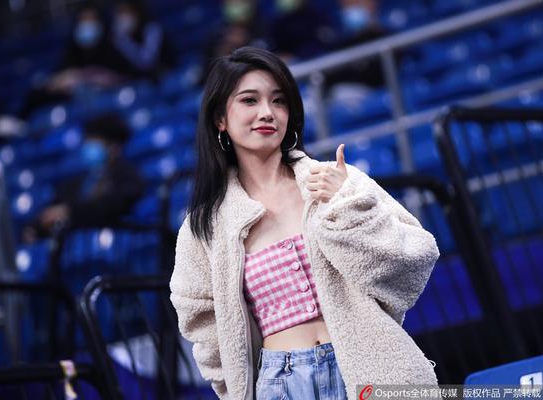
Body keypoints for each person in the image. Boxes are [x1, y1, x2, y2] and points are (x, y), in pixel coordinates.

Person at [169, 47, 440, 399]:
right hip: (280, 383)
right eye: (250, 100)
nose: (267, 112)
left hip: (367, 370)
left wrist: (347, 207)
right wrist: (235, 385)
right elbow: (200, 320)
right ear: (220, 118)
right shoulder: (204, 226)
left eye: (278, 101)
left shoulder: (338, 181)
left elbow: (413, 262)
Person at [22, 112, 144, 242]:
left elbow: (113, 204)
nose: (87, 147)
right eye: (87, 142)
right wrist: (35, 227)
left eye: (95, 143)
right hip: (77, 247)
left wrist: (70, 211)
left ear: (114, 147)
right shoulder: (79, 181)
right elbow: (54, 207)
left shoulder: (128, 176)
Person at [19, 3, 135, 118]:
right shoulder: (71, 52)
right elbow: (57, 80)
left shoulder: (114, 49)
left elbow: (128, 77)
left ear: (100, 23)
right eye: (83, 20)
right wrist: (59, 82)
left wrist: (85, 76)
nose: (87, 25)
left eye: (91, 20)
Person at [110, 0, 173, 80]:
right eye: (119, 12)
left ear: (136, 12)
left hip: (163, 75)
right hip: (133, 80)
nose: (122, 17)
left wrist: (124, 42)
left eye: (125, 11)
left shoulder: (152, 28)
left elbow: (146, 62)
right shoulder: (116, 37)